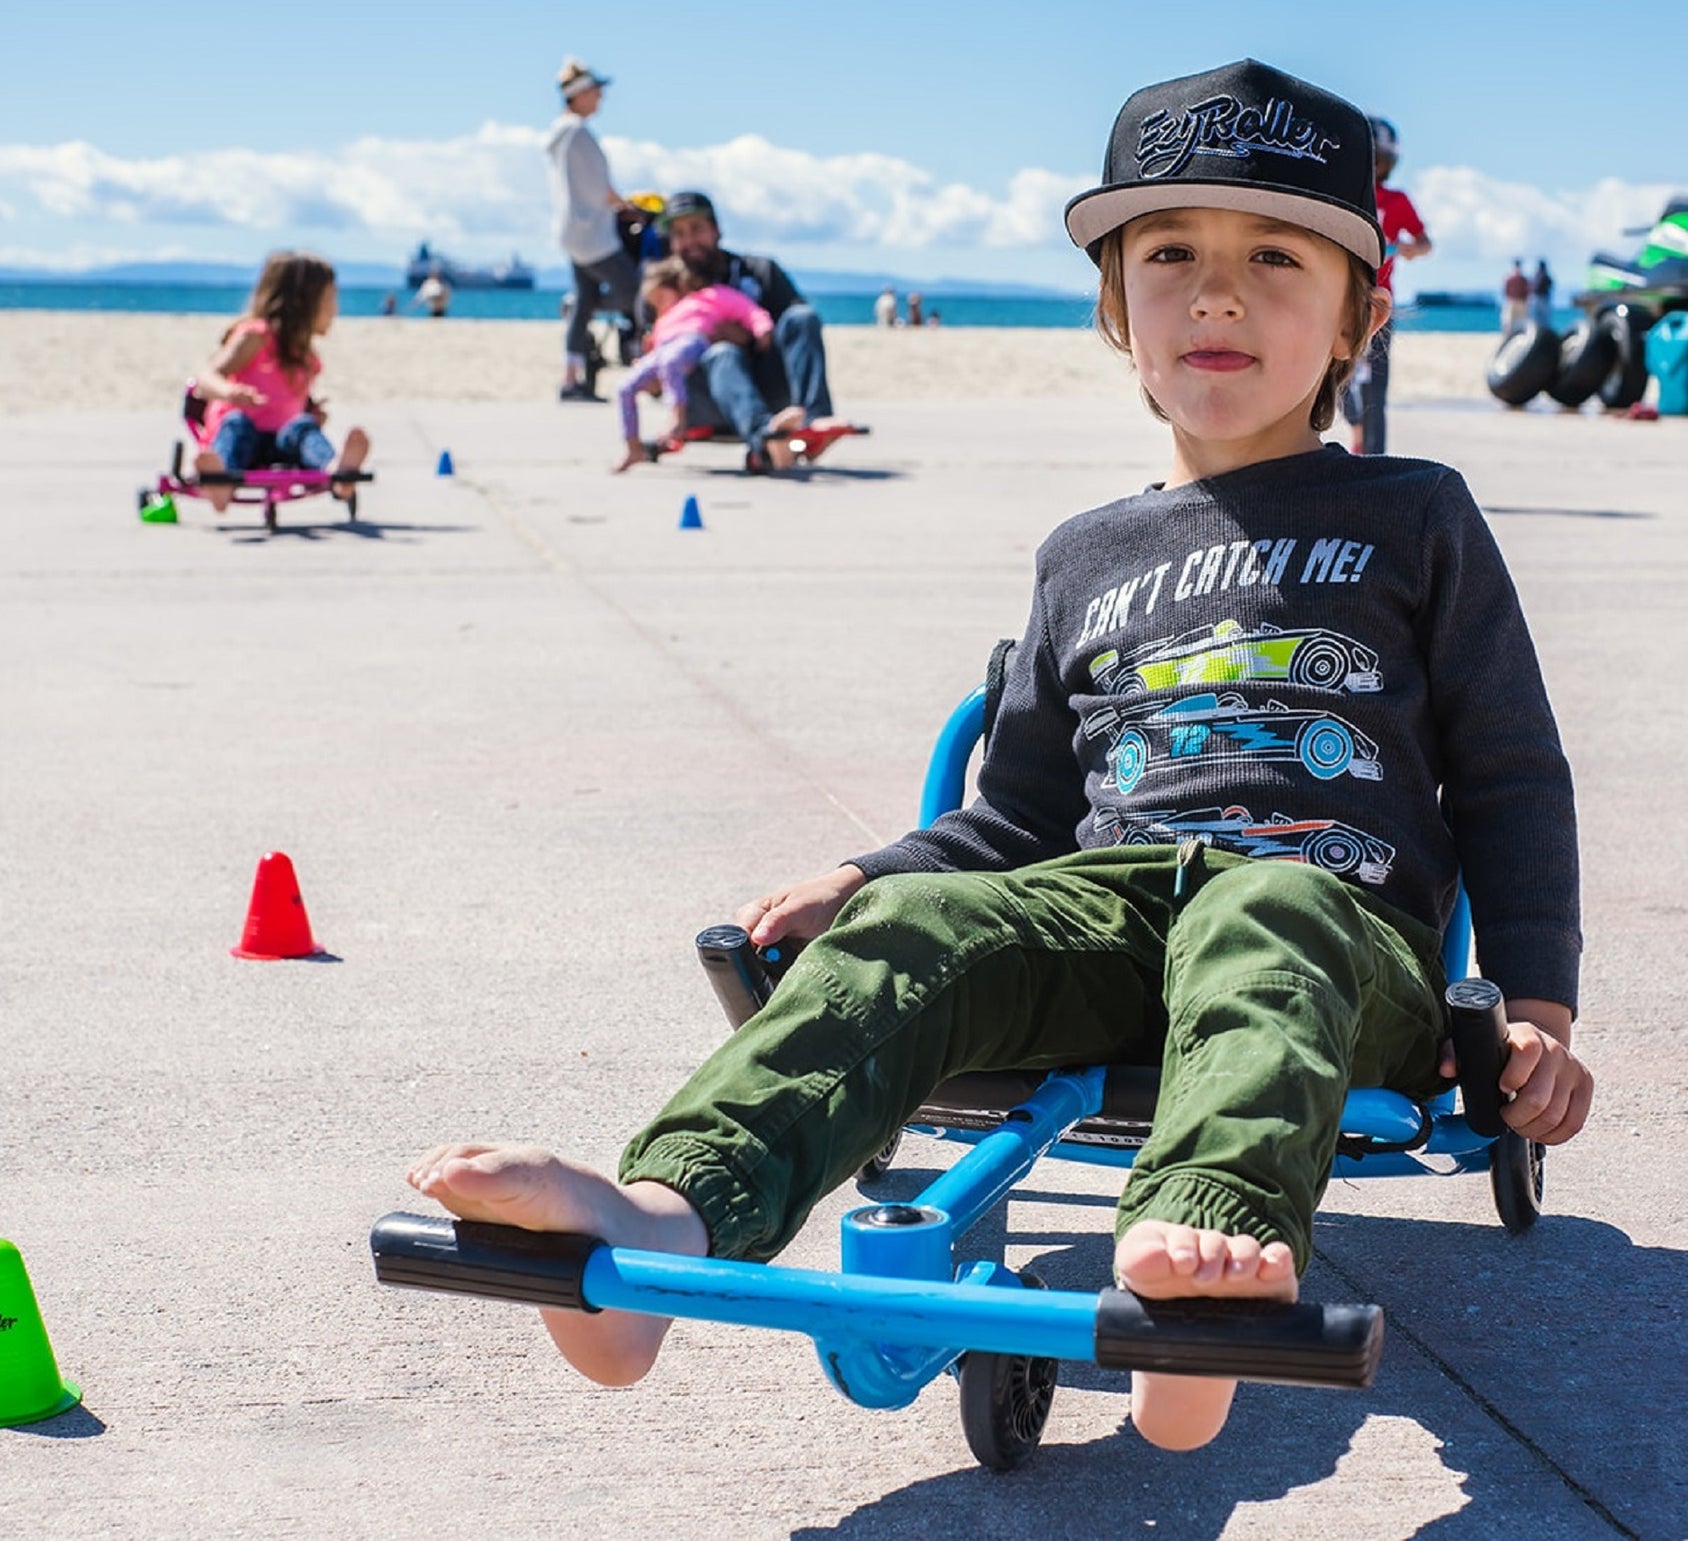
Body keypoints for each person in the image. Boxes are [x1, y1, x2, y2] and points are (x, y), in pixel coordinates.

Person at [407, 59, 1590, 1453]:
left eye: (1275, 255)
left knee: (1267, 910)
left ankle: (1198, 1256)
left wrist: (1540, 1018)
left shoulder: (1414, 513)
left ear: (1361, 314)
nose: (1217, 292)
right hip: (1110, 913)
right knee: (918, 929)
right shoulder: (1086, 555)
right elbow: (1017, 810)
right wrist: (869, 872)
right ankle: (667, 1214)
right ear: (1117, 313)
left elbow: (1511, 774)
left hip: (1333, 929)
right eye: (1171, 256)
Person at [659, 190, 853, 473]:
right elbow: (647, 360)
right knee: (721, 353)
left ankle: (814, 422)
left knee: (802, 317)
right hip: (701, 394)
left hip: (769, 384)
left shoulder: (759, 272)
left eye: (696, 229)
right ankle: (766, 438)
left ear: (715, 229)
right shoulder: (662, 288)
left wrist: (746, 336)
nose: (689, 241)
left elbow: (794, 335)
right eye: (679, 233)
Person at [192, 250, 368, 514]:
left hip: (281, 442)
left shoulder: (305, 357)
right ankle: (221, 481)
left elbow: (287, 403)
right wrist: (228, 391)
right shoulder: (255, 337)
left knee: (303, 428)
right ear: (303, 302)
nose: (335, 309)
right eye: (330, 299)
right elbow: (205, 379)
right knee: (236, 424)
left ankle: (337, 472)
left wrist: (312, 413)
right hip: (245, 436)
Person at [612, 257, 804, 473]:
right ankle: (632, 447)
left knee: (676, 361)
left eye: (662, 299)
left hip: (694, 342)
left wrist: (763, 329)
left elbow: (748, 310)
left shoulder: (709, 297)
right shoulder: (663, 321)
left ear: (680, 287)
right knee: (625, 387)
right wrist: (651, 379)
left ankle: (679, 419)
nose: (661, 308)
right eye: (655, 305)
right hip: (674, 364)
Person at [546, 57, 640, 402]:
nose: (600, 96)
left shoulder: (559, 134)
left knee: (584, 300)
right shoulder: (577, 132)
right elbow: (600, 186)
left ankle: (572, 380)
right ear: (579, 93)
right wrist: (629, 208)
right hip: (594, 233)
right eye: (596, 90)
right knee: (635, 292)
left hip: (571, 231)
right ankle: (585, 314)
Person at [1339, 116, 1430, 455]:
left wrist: (1411, 248)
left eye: (1382, 159)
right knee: (1338, 377)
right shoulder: (1343, 193)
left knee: (1378, 388)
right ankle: (1357, 427)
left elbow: (1425, 242)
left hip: (1380, 302)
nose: (1376, 166)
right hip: (1344, 299)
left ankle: (1375, 460)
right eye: (1371, 158)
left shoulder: (1396, 201)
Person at [1502, 260, 1530, 335]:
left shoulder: (1519, 279)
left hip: (1518, 301)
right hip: (1515, 301)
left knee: (1519, 320)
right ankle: (1509, 333)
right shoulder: (1518, 279)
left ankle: (1517, 333)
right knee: (1510, 320)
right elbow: (1506, 290)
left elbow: (1506, 290)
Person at [1531, 259, 1554, 330]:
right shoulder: (1540, 275)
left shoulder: (1540, 276)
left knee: (1541, 318)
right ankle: (1540, 330)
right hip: (1540, 298)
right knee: (1540, 318)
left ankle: (1542, 331)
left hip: (1541, 298)